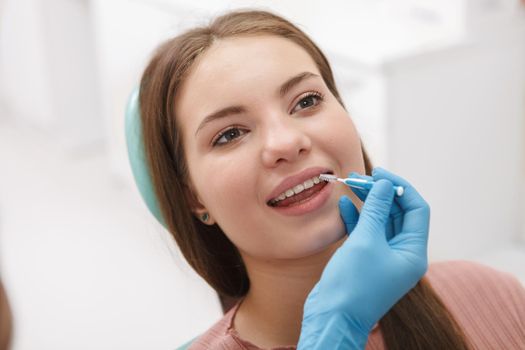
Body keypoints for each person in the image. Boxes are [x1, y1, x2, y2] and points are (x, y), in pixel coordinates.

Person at [127, 10, 525, 349]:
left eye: (306, 101)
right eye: (230, 134)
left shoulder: (492, 294)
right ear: (193, 197)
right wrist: (336, 330)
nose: (287, 142)